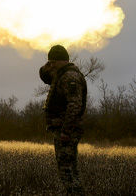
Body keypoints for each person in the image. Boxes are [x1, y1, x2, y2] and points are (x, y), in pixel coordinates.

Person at [39, 45, 87, 195]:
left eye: (53, 62)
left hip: (67, 132)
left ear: (61, 61)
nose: (51, 65)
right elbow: (45, 77)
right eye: (49, 62)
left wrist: (66, 132)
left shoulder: (69, 77)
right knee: (68, 169)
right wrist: (46, 67)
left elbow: (74, 105)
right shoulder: (62, 74)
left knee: (68, 171)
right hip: (63, 130)